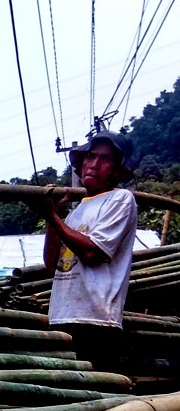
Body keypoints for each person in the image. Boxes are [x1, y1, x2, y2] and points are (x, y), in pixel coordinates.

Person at [41, 130, 138, 371]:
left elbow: (93, 253)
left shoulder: (120, 200)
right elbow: (51, 263)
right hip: (61, 316)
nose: (93, 164)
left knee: (94, 393)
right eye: (90, 157)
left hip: (95, 321)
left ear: (118, 169)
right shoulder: (75, 212)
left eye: (104, 159)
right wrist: (54, 217)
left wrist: (52, 218)